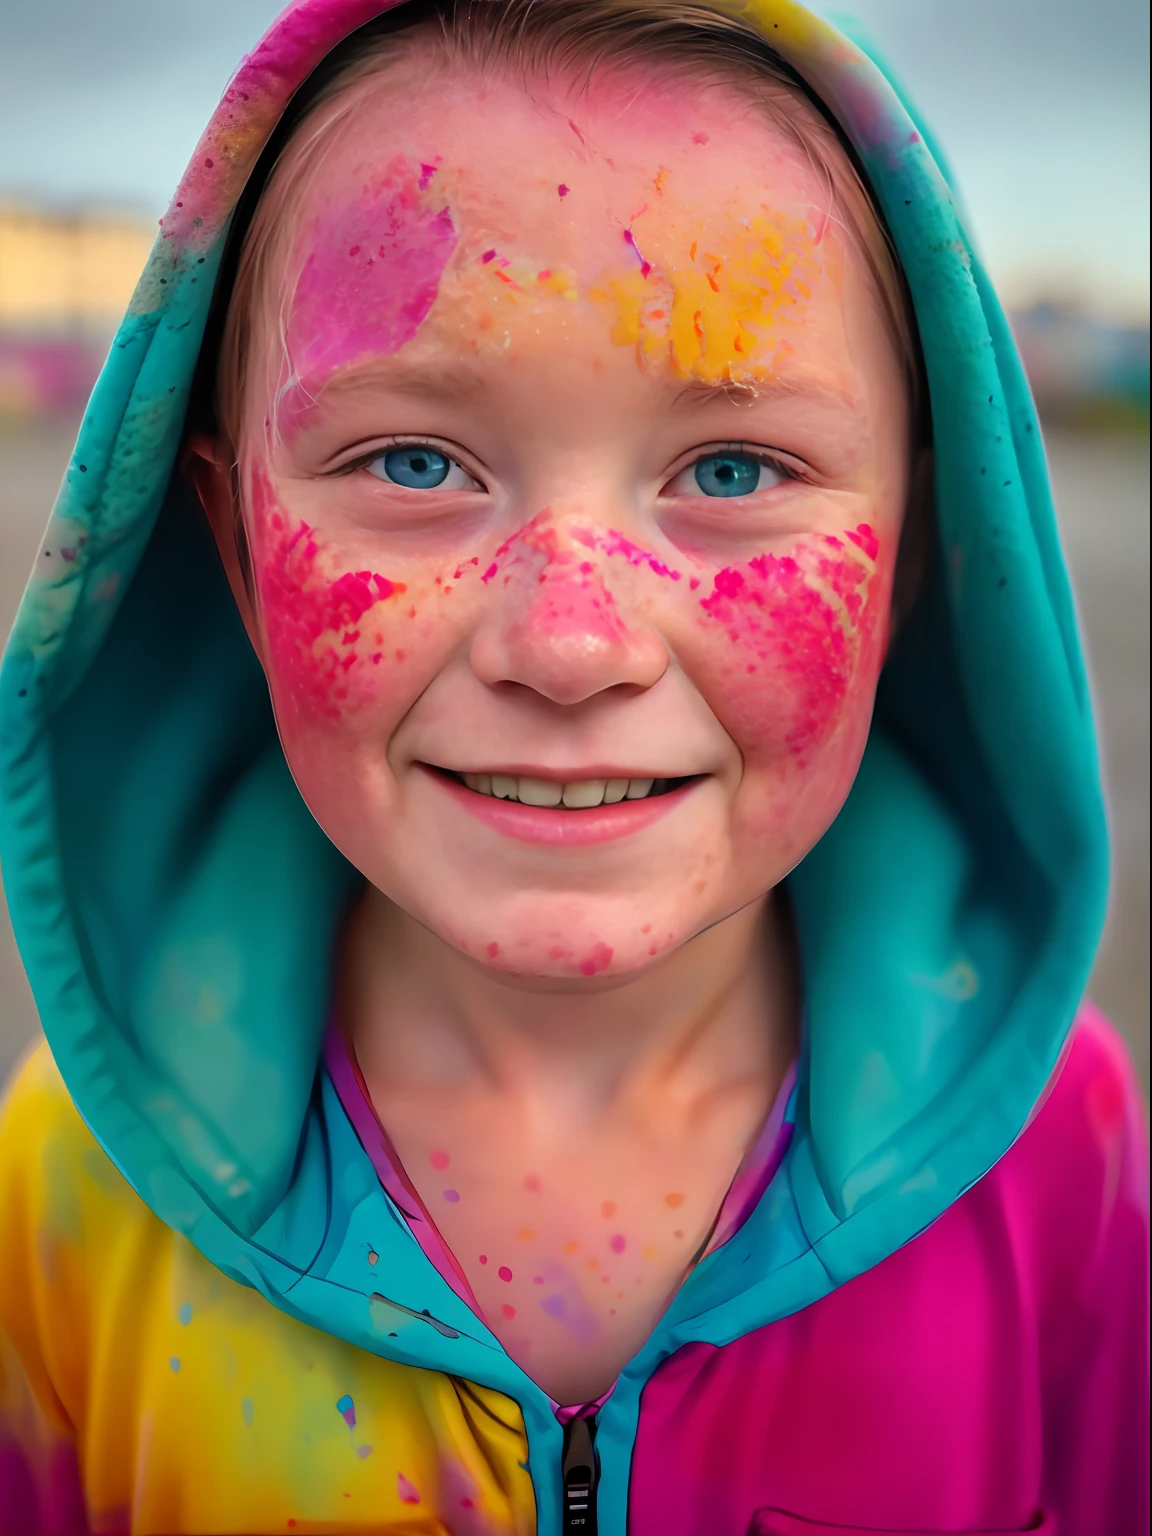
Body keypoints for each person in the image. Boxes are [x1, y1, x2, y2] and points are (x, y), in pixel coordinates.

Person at [0, 0, 1146, 1530]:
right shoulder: (75, 1188)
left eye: (733, 471)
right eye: (415, 465)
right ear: (232, 546)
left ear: (915, 563)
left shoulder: (1058, 1158)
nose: (570, 644)